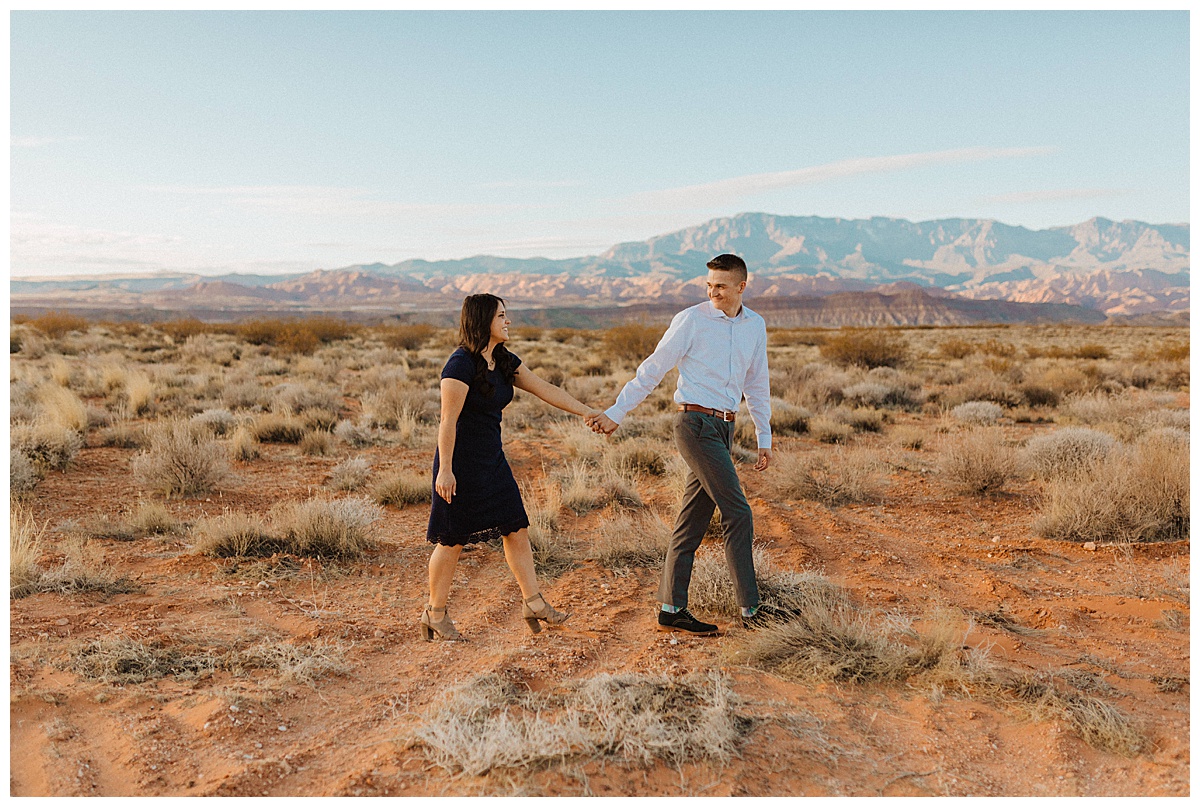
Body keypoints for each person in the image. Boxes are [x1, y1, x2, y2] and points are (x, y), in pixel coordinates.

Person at [586, 253, 780, 634]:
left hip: (724, 428)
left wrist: (764, 436)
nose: (713, 293)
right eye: (708, 285)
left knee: (691, 522)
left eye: (721, 286)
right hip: (694, 425)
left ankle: (671, 608)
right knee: (738, 513)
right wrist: (616, 413)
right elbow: (653, 369)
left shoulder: (755, 326)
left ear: (741, 286)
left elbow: (758, 383)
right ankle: (752, 612)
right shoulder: (691, 320)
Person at [422, 293, 599, 641]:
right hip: (460, 465)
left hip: (493, 462)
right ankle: (435, 613)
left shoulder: (503, 361)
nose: (508, 320)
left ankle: (533, 602)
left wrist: (586, 412)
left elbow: (543, 388)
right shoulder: (459, 364)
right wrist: (445, 469)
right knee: (452, 540)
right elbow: (447, 421)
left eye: (507, 314)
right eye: (501, 315)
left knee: (516, 528)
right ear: (482, 320)